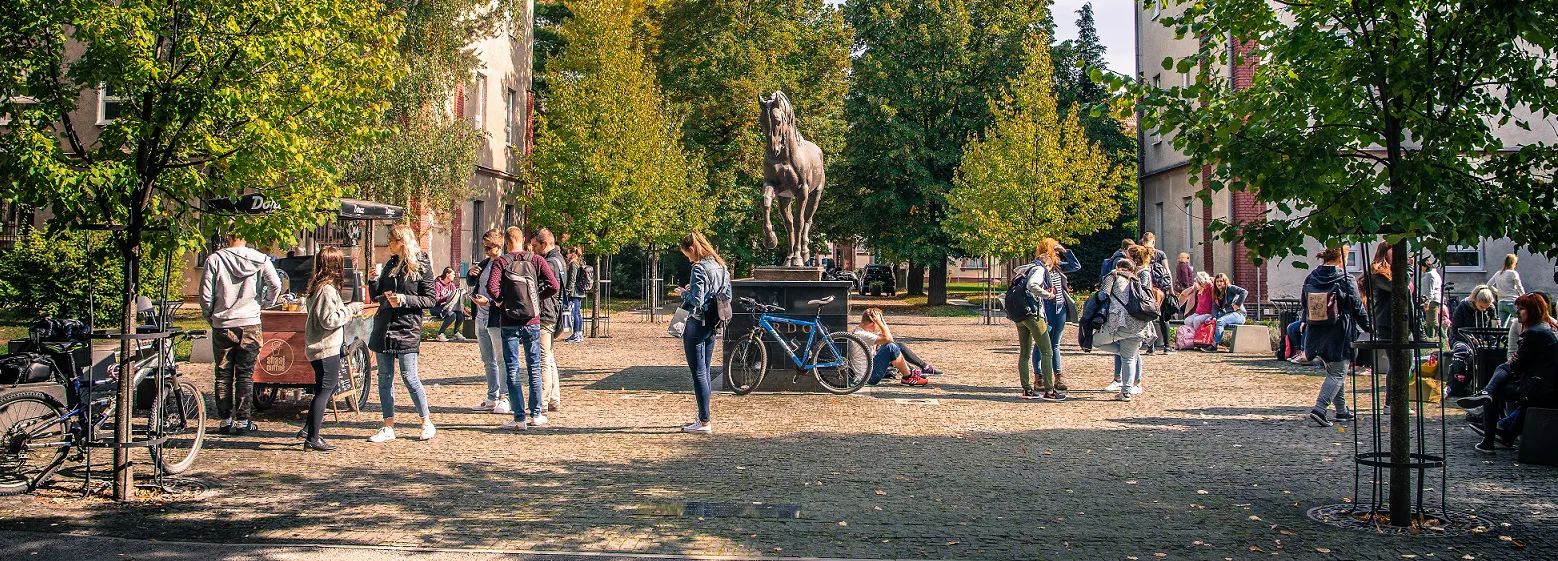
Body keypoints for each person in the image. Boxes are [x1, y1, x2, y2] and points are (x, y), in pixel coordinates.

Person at [199, 233, 283, 436]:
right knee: (245, 374)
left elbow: (205, 293)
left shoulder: (215, 259)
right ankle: (243, 421)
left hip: (223, 322)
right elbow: (276, 285)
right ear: (246, 236)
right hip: (250, 322)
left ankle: (225, 419)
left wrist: (210, 315)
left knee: (223, 373)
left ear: (228, 237)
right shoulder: (260, 258)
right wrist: (264, 304)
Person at [1456, 293, 1558, 453]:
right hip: (1545, 385)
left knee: (1496, 387)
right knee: (1503, 370)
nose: (1517, 312)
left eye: (1522, 309)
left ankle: (1487, 442)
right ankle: (1492, 406)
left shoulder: (1534, 333)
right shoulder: (1544, 328)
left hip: (1538, 389)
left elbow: (1519, 366)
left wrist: (1513, 362)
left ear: (1533, 310)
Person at [368, 224, 439, 443]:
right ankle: (388, 425)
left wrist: (405, 299)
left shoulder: (421, 264)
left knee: (410, 376)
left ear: (401, 241)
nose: (388, 244)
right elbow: (377, 297)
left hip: (407, 326)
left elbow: (430, 299)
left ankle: (426, 421)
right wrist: (373, 281)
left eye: (390, 240)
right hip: (385, 326)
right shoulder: (390, 264)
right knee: (384, 378)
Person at [488, 227, 561, 430]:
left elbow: (492, 288)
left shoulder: (501, 262)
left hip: (509, 320)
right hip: (532, 320)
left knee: (512, 368)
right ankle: (536, 413)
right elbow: (553, 285)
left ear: (506, 243)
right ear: (522, 241)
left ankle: (519, 418)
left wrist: (501, 301)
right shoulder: (536, 260)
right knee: (534, 367)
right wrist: (536, 298)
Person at [301, 247, 364, 451]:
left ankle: (309, 428)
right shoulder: (326, 290)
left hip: (321, 346)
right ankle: (313, 437)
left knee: (324, 388)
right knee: (325, 390)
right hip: (324, 347)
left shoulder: (317, 287)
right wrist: (351, 310)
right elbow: (329, 320)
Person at [1302, 247, 1371, 427]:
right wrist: (1370, 327)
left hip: (1316, 331)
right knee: (1338, 373)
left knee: (1334, 371)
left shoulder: (1312, 277)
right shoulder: (1345, 278)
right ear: (1342, 258)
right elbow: (1357, 306)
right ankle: (1320, 408)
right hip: (1339, 331)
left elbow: (1304, 303)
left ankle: (1342, 411)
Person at [671, 232, 730, 434]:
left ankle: (704, 421)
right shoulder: (722, 267)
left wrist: (683, 293)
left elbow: (695, 301)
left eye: (686, 255)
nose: (687, 259)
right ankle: (702, 415)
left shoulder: (698, 268)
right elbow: (727, 295)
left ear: (692, 249)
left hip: (696, 324)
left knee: (698, 374)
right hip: (713, 324)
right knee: (704, 372)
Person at [1097, 257, 1152, 401]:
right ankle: (1126, 392)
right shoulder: (1137, 280)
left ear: (1118, 267)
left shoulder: (1113, 277)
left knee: (1093, 342)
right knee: (1129, 357)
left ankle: (1120, 353)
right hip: (1140, 324)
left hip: (1120, 323)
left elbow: (1103, 295)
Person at [467, 229, 510, 414]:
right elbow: (472, 282)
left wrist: (491, 303)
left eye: (488, 247)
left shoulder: (505, 264)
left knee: (502, 359)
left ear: (499, 246)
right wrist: (471, 274)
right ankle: (492, 396)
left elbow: (507, 293)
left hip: (496, 317)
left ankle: (505, 396)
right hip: (480, 316)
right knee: (487, 360)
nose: (485, 250)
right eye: (484, 246)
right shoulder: (485, 264)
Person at [1033, 239, 1081, 391]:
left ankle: (1058, 377)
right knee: (1041, 344)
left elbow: (1076, 266)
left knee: (1055, 344)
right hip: (1044, 311)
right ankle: (1038, 377)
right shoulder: (1037, 268)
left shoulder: (1058, 267)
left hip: (1059, 309)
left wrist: (1066, 252)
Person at [532, 228, 567, 413]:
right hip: (554, 312)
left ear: (545, 244)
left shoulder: (549, 263)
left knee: (543, 359)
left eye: (536, 246)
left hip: (546, 313)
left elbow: (546, 288)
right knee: (549, 357)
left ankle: (543, 401)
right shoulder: (559, 260)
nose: (533, 249)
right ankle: (554, 398)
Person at [853, 308, 931, 387]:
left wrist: (881, 321)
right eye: (877, 324)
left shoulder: (861, 332)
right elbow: (889, 339)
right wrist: (880, 323)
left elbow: (888, 339)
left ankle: (910, 372)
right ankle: (908, 377)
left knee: (896, 345)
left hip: (869, 371)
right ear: (873, 323)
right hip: (868, 378)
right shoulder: (862, 334)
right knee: (891, 347)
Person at [1359, 245, 1395, 374]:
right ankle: (1393, 394)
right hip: (1387, 322)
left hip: (1401, 321)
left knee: (1405, 364)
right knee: (1397, 364)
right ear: (1385, 253)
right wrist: (1408, 269)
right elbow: (1396, 287)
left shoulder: (1393, 271)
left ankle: (1397, 393)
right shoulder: (1378, 274)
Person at [1141, 233, 1175, 354]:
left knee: (1148, 317)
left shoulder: (1140, 253)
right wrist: (1170, 289)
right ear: (1153, 242)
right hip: (1161, 289)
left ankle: (1151, 347)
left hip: (1146, 289)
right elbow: (1167, 271)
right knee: (1163, 318)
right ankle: (1167, 346)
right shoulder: (1160, 254)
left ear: (1142, 241)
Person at [1174, 272, 1217, 351]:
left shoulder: (1208, 288)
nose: (1196, 285)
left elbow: (1212, 284)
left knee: (1197, 320)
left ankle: (1200, 340)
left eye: (1198, 283)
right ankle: (1193, 338)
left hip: (1208, 313)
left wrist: (1209, 280)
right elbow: (1186, 293)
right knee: (1187, 321)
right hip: (1198, 313)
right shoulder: (1199, 291)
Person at [1210, 273, 1248, 349]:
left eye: (1221, 281)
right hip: (1228, 314)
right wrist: (1214, 317)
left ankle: (1214, 345)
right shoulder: (1217, 293)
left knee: (1220, 321)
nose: (1219, 283)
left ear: (1225, 282)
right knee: (1209, 321)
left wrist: (1237, 304)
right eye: (1217, 281)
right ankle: (1206, 342)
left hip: (1239, 314)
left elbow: (1244, 292)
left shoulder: (1230, 288)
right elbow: (1215, 306)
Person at [431, 267, 468, 342]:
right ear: (447, 274)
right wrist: (448, 297)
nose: (455, 276)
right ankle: (440, 334)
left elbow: (455, 298)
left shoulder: (451, 285)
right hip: (436, 307)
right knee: (452, 315)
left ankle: (456, 332)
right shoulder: (437, 284)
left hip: (447, 307)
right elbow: (436, 299)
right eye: (453, 274)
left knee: (460, 314)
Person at [1488, 254, 1526, 323]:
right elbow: (1519, 287)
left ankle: (1499, 334)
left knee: (1501, 326)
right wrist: (1524, 297)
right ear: (1513, 263)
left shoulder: (1498, 273)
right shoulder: (1513, 273)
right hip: (1512, 301)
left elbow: (1489, 285)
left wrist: (1498, 292)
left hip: (1501, 303)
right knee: (1524, 322)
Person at [562, 247, 588, 343]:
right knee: (577, 313)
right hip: (579, 292)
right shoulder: (580, 262)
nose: (566, 255)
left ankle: (576, 334)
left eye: (568, 253)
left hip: (574, 292)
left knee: (574, 314)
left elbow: (572, 279)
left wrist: (567, 291)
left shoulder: (573, 264)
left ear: (572, 253)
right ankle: (578, 333)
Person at [1418, 258, 1445, 339]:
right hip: (1433, 299)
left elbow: (1430, 290)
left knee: (1433, 321)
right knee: (1429, 321)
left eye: (1421, 267)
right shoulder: (1434, 274)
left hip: (1432, 300)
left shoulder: (1430, 275)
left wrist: (1427, 302)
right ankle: (1431, 337)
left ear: (1425, 267)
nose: (1421, 269)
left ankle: (1444, 338)